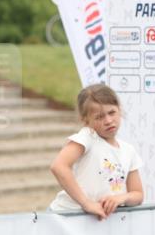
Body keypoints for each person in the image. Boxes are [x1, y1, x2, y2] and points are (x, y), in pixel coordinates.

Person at [49, 84, 144, 219]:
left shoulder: (129, 150)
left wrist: (121, 198)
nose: (108, 121)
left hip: (100, 222)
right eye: (99, 117)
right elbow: (58, 166)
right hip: (67, 217)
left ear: (119, 109)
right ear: (86, 120)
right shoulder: (88, 137)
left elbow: (138, 194)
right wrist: (86, 203)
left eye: (112, 112)